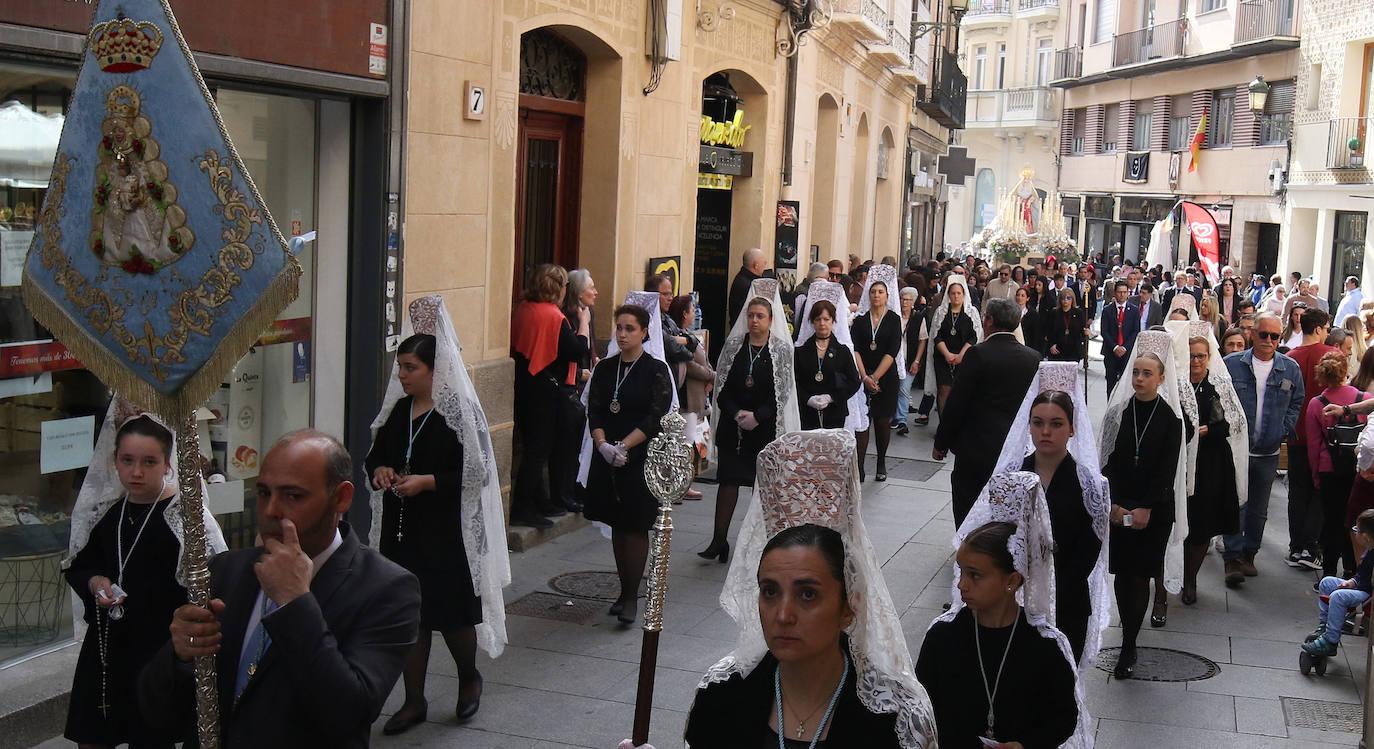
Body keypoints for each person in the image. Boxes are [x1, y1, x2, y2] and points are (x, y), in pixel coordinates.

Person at [139, 431, 422, 748]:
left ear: (340, 498)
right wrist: (179, 655)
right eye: (263, 492)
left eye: (293, 496)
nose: (271, 510)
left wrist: (295, 603)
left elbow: (348, 713)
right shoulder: (228, 570)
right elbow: (156, 712)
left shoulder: (387, 588)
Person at [685, 430, 936, 748]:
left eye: (807, 594)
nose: (783, 615)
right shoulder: (722, 694)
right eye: (770, 591)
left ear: (849, 607)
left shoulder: (892, 716)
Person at [367, 295, 511, 732]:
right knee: (412, 617)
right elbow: (376, 454)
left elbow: (478, 471)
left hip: (445, 530)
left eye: (411, 368)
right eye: (402, 368)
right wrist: (382, 470)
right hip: (402, 528)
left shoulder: (457, 415)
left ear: (435, 370)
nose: (403, 375)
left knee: (451, 616)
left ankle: (469, 678)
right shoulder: (399, 411)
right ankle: (413, 700)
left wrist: (428, 482)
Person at [63, 403, 227, 748]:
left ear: (168, 464)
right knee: (92, 738)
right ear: (115, 461)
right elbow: (81, 564)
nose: (136, 472)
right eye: (127, 461)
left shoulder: (187, 517)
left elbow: (216, 579)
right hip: (107, 649)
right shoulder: (109, 512)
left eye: (149, 462)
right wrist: (97, 584)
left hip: (159, 652)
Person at [919, 483, 1083, 747]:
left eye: (975, 575)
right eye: (961, 571)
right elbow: (925, 709)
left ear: (1012, 581)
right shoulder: (943, 636)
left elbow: (1063, 717)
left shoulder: (1044, 645)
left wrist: (1025, 745)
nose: (962, 585)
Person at [972, 362, 1111, 666]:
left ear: (1072, 428)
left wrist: (1050, 587)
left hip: (1067, 601)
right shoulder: (1012, 477)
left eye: (1056, 423)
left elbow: (1089, 550)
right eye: (1038, 423)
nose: (1045, 431)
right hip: (1013, 599)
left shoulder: (1089, 484)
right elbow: (997, 538)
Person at [1099, 331, 1189, 678]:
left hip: (1153, 510)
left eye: (1147, 373)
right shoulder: (1120, 412)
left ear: (1161, 378)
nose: (1139, 378)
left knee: (1140, 576)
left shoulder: (1171, 420)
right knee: (1122, 573)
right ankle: (1128, 636)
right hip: (1121, 505)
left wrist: (1146, 508)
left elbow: (1167, 470)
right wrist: (1115, 504)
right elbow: (1109, 461)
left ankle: (1130, 644)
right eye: (1135, 372)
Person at [582, 303, 674, 624]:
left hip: (639, 456)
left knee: (634, 526)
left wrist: (625, 445)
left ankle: (633, 596)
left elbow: (655, 415)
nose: (622, 334)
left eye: (629, 329)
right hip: (607, 453)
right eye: (619, 328)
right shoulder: (606, 369)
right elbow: (595, 408)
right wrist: (603, 444)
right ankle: (623, 590)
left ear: (644, 332)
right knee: (617, 524)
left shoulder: (656, 370)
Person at [702, 281, 801, 561]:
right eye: (751, 316)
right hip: (734, 427)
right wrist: (736, 414)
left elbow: (782, 391)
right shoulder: (735, 346)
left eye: (760, 316)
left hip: (764, 429)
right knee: (728, 482)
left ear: (771, 320)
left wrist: (758, 416)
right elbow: (722, 387)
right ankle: (719, 540)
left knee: (764, 487)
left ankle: (764, 544)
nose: (754, 321)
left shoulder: (780, 350)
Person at [933, 298, 1041, 527]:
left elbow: (957, 402)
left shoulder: (978, 354)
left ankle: (969, 548)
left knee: (969, 500)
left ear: (989, 320)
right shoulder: (1032, 357)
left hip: (977, 445)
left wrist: (941, 442)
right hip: (1015, 445)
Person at [1223, 312, 1305, 585]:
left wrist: (1284, 428)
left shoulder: (1290, 367)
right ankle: (1232, 557)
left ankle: (1249, 554)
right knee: (1235, 504)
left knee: (1258, 508)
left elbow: (1297, 401)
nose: (1269, 340)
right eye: (1264, 334)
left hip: (1268, 452)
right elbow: (1218, 397)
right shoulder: (1232, 364)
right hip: (1237, 450)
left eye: (1275, 336)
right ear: (1252, 334)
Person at [511, 263, 590, 529]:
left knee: (533, 446)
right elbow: (575, 350)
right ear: (558, 288)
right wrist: (585, 325)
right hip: (545, 389)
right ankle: (524, 507)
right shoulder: (552, 316)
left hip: (525, 382)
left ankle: (539, 500)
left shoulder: (523, 308)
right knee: (538, 449)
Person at [1177, 324, 1247, 604]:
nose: (1195, 361)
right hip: (1181, 463)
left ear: (1209, 357)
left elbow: (1234, 422)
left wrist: (1207, 430)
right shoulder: (1178, 383)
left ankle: (1190, 579)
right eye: (1191, 356)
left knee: (1201, 525)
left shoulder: (1218, 384)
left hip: (1210, 463)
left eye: (1200, 356)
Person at [1305, 351, 1370, 578]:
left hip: (1329, 468)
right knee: (1355, 523)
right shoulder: (1363, 399)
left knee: (1332, 522)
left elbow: (1313, 447)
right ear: (1346, 371)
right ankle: (1353, 571)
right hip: (1357, 470)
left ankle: (1328, 573)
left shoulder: (1316, 404)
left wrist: (1315, 476)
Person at [1286, 308, 1339, 571]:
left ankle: (1296, 547)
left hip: (1297, 434)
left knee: (1297, 491)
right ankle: (1309, 545)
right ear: (1318, 329)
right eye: (1326, 328)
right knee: (1318, 490)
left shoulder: (1290, 357)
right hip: (1323, 435)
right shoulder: (1331, 355)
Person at [852, 268, 903, 481]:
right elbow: (854, 348)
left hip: (886, 376)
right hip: (863, 374)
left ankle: (881, 461)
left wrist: (876, 377)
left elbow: (893, 351)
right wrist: (865, 377)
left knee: (882, 421)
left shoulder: (893, 320)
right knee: (863, 423)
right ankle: (860, 465)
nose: (876, 295)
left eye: (881, 292)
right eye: (873, 292)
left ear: (887, 296)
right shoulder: (861, 320)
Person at [1302, 509, 1374, 660]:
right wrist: (1352, 582)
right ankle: (1324, 625)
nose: (1354, 532)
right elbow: (1363, 575)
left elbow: (1368, 581)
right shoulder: (1369, 550)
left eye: (1357, 530)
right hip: (1362, 587)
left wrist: (1355, 583)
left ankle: (1331, 640)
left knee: (1338, 596)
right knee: (1327, 582)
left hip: (1368, 595)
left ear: (1366, 537)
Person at [669, 295, 713, 499]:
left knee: (695, 441)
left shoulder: (689, 334)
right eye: (692, 310)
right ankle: (680, 485)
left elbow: (705, 360)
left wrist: (711, 374)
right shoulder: (680, 337)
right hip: (687, 395)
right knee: (685, 442)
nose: (695, 314)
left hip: (698, 396)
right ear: (684, 314)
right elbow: (691, 365)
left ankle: (686, 482)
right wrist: (711, 375)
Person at [795, 299, 861, 430]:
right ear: (812, 322)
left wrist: (832, 398)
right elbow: (794, 382)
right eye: (818, 319)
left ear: (833, 321)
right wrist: (807, 399)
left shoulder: (842, 351)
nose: (822, 323)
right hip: (807, 414)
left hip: (835, 414)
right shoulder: (800, 351)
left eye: (826, 319)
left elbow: (854, 382)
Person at [926, 274, 982, 414]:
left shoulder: (971, 312)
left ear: (964, 294)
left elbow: (974, 336)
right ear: (948, 295)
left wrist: (961, 355)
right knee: (943, 391)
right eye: (953, 293)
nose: (956, 296)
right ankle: (943, 427)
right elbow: (936, 335)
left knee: (960, 392)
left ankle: (956, 427)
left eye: (959, 293)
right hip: (943, 357)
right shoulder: (941, 312)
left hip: (964, 358)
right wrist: (947, 354)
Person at [1101, 281, 1141, 397]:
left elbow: (1135, 331)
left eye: (1124, 292)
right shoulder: (1107, 310)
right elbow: (1105, 331)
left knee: (1126, 385)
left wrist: (1124, 347)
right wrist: (1115, 347)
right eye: (1119, 292)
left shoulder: (1133, 310)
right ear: (1115, 293)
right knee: (1111, 384)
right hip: (1111, 352)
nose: (1122, 295)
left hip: (1126, 352)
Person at [1045, 288, 1090, 364]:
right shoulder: (1054, 313)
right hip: (1057, 350)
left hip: (1073, 350)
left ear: (1072, 299)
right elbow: (1049, 331)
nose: (1065, 300)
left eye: (1068, 298)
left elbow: (1082, 331)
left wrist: (1086, 332)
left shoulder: (1078, 313)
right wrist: (1051, 345)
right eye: (1063, 298)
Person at [728, 247, 767, 328]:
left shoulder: (746, 279)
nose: (765, 264)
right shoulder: (746, 284)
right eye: (763, 262)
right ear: (756, 265)